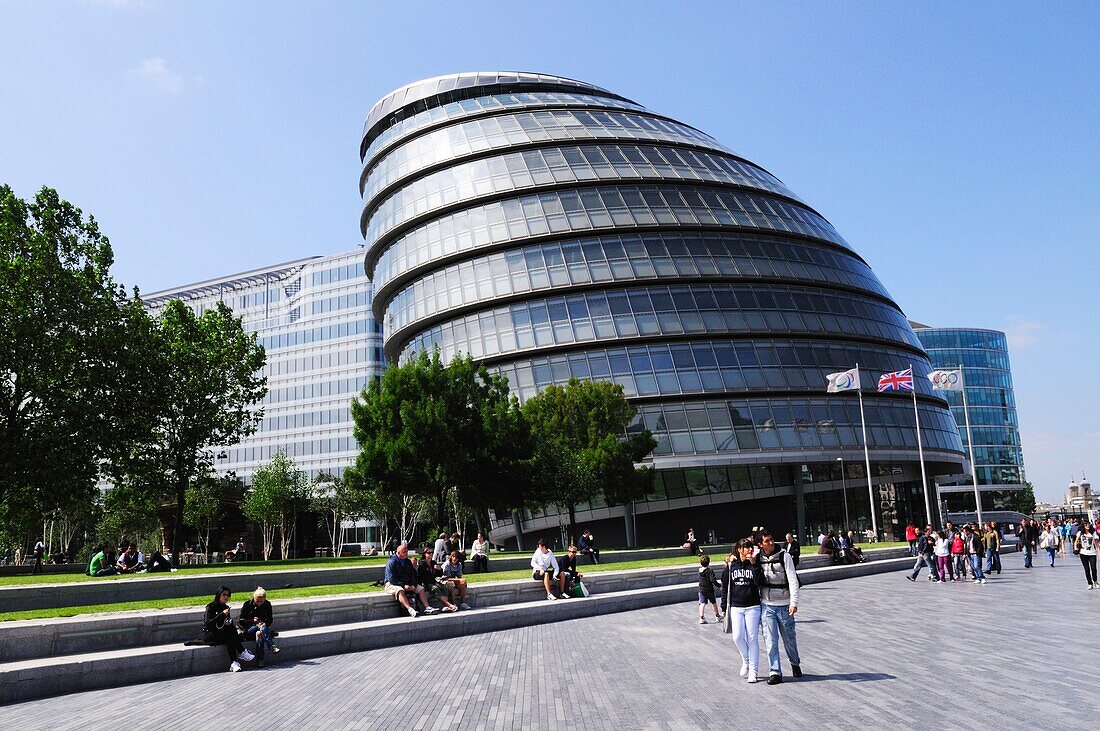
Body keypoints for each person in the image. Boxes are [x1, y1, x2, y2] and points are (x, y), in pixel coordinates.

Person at [757, 531, 801, 684]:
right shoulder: (758, 558)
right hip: (766, 605)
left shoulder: (784, 556)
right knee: (770, 640)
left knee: (789, 638)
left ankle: (795, 663)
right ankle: (775, 672)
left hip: (784, 604)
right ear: (760, 544)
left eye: (771, 539)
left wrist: (793, 602)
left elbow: (793, 579)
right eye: (767, 541)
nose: (771, 543)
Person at [723, 538, 765, 683]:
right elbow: (725, 585)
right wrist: (724, 607)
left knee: (752, 638)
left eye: (751, 548)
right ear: (740, 549)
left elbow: (760, 582)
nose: (750, 550)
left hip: (753, 606)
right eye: (747, 548)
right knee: (737, 637)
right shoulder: (732, 565)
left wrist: (754, 565)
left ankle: (753, 670)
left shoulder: (754, 564)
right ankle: (745, 659)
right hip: (736, 606)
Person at [203, 586, 254, 672]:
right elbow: (208, 623)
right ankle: (241, 652)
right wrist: (222, 614)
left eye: (228, 595)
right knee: (231, 633)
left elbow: (225, 622)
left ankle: (234, 663)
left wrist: (227, 622)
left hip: (222, 633)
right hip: (209, 633)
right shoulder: (211, 606)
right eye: (224, 595)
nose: (226, 597)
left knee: (231, 635)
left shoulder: (226, 607)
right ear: (219, 595)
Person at [383, 544, 438, 618]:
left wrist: (413, 584)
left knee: (421, 589)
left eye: (407, 551)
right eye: (404, 552)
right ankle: (410, 609)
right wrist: (403, 585)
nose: (406, 553)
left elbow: (412, 575)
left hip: (407, 583)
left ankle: (427, 607)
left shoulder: (408, 562)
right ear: (398, 553)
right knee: (400, 590)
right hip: (392, 584)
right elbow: (392, 579)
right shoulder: (392, 562)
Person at [238, 586, 279, 667]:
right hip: (249, 630)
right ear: (254, 597)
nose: (259, 603)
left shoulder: (267, 604)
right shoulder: (247, 604)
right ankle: (271, 646)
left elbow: (270, 620)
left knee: (259, 633)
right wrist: (252, 621)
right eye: (257, 601)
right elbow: (241, 621)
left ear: (264, 599)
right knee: (261, 627)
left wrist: (263, 623)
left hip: (261, 631)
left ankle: (260, 660)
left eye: (261, 601)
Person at [418, 548, 459, 613]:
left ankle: (445, 606)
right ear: (425, 554)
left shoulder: (433, 562)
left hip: (434, 581)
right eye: (429, 553)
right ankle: (449, 605)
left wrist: (439, 569)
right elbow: (422, 576)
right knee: (436, 588)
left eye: (432, 552)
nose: (431, 554)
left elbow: (439, 574)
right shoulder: (422, 563)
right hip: (426, 583)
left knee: (444, 588)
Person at [698, 554, 723, 624]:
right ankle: (717, 616)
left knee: (702, 603)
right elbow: (713, 580)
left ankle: (701, 617)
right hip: (709, 589)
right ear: (709, 562)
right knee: (713, 602)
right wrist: (719, 586)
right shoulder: (710, 571)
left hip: (701, 589)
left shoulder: (699, 571)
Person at [1074, 523, 1099, 589]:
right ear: (1083, 526)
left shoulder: (1093, 533)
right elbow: (1076, 541)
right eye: (1086, 525)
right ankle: (1090, 583)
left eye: (1088, 525)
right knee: (1087, 569)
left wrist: (1098, 552)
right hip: (1083, 553)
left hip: (1092, 553)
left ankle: (1095, 581)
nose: (1088, 526)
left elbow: (1096, 543)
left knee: (1093, 568)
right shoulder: (1080, 533)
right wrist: (1075, 548)